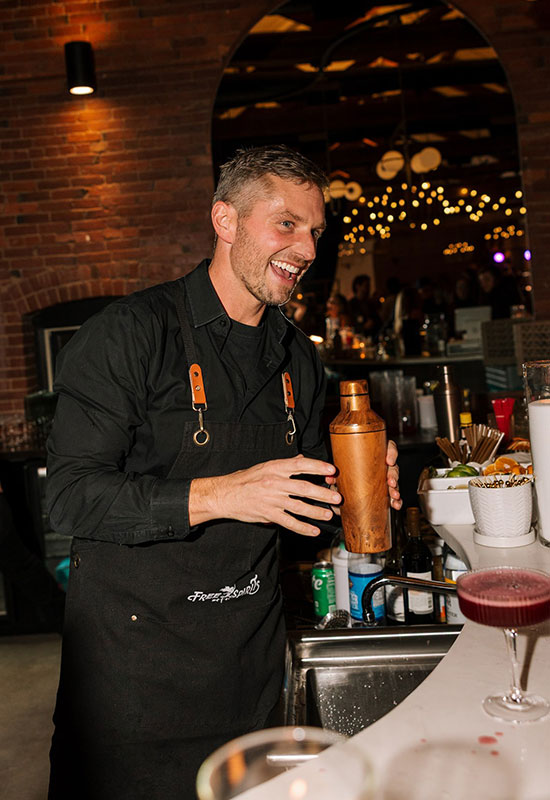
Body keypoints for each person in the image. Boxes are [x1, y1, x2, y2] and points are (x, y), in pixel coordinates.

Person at [45, 144, 401, 800]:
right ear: (226, 220)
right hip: (135, 690)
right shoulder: (131, 334)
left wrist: (355, 484)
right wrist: (222, 493)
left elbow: (297, 514)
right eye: (286, 223)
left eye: (315, 230)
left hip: (250, 678)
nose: (309, 250)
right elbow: (69, 498)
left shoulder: (297, 359)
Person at [347, 274, 381, 338]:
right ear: (357, 286)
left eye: (369, 286)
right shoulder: (351, 304)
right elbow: (349, 325)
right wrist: (363, 327)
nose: (368, 289)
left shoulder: (370, 303)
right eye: (366, 286)